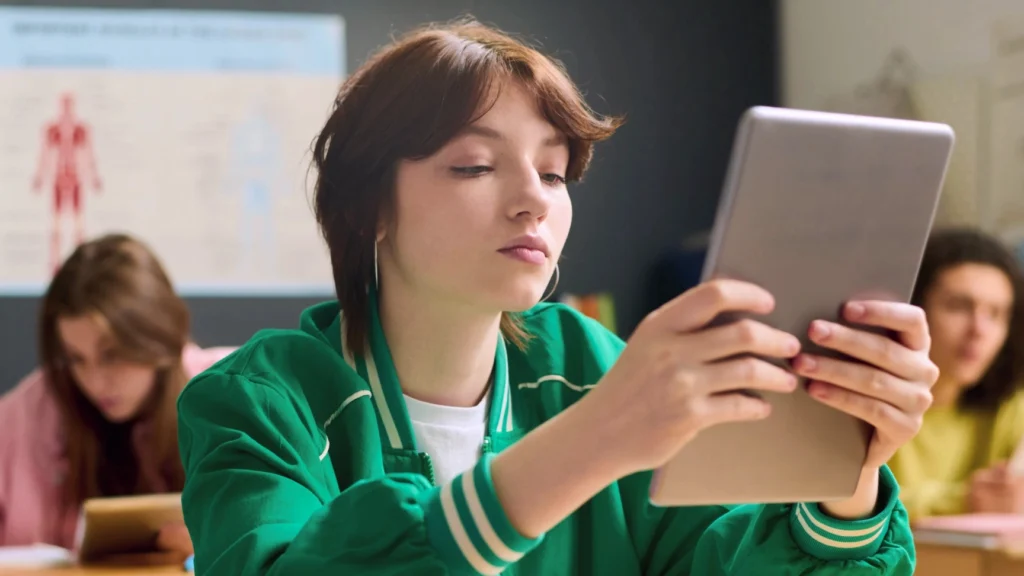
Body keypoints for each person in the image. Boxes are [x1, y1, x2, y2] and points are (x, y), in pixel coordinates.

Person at [178, 19, 938, 575]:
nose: (534, 200)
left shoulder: (592, 365)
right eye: (475, 166)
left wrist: (843, 470)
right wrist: (598, 437)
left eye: (553, 172)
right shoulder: (259, 402)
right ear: (367, 206)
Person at [0, 234, 234, 560]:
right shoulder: (25, 414)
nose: (94, 381)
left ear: (157, 338)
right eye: (76, 358)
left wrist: (219, 547)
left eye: (112, 356)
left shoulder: (234, 394)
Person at [888, 229, 1024, 520]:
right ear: (913, 308)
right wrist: (964, 500)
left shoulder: (1011, 406)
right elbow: (849, 505)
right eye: (958, 307)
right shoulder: (871, 399)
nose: (979, 330)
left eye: (996, 314)